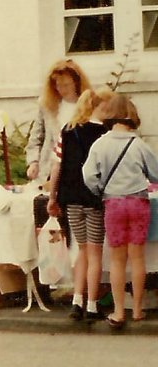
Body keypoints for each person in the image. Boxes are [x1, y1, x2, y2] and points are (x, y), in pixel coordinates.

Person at [82, 94, 158, 332]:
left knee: (117, 260)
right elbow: (156, 173)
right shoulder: (139, 144)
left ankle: (118, 311)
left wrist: (100, 189)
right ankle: (137, 309)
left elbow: (88, 175)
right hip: (138, 203)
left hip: (113, 204)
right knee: (137, 258)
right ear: (131, 116)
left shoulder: (100, 144)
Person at [47, 87, 113, 321]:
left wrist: (52, 196)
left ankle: (77, 301)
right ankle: (92, 305)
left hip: (70, 197)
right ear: (100, 106)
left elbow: (56, 166)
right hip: (94, 199)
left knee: (81, 249)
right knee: (95, 253)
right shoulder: (106, 133)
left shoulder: (67, 130)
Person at [26, 58, 89, 182]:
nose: (62, 90)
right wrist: (33, 162)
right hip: (49, 169)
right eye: (58, 85)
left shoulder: (88, 105)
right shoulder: (46, 105)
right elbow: (36, 138)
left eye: (66, 85)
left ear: (76, 82)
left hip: (78, 170)